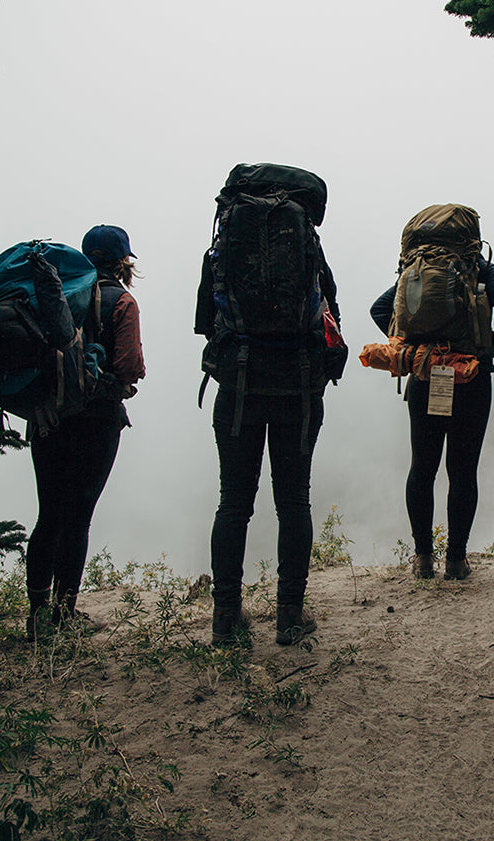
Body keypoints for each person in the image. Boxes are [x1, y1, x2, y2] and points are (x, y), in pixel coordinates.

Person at [195, 164, 339, 648]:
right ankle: (289, 617)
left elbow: (203, 321)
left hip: (238, 388)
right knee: (293, 501)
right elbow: (329, 319)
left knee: (233, 504)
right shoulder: (310, 250)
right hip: (297, 388)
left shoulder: (221, 249)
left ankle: (226, 619)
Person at [371, 206, 494, 581]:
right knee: (463, 471)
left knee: (422, 468)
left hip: (425, 376)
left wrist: (413, 344)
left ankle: (423, 558)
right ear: (471, 237)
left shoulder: (417, 271)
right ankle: (456, 561)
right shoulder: (481, 270)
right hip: (471, 378)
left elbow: (379, 309)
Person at [26, 223, 145, 638]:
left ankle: (37, 616)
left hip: (48, 418)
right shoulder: (122, 302)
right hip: (97, 422)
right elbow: (130, 367)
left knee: (49, 516)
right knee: (77, 519)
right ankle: (64, 614)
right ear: (122, 261)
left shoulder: (54, 296)